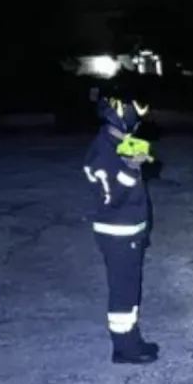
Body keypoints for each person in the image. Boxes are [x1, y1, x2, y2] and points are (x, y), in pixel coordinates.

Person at [83, 85, 158, 365]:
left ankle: (133, 339)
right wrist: (131, 169)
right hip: (117, 232)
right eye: (134, 115)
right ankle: (124, 349)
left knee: (131, 286)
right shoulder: (103, 153)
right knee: (123, 290)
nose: (137, 122)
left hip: (130, 229)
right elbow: (112, 197)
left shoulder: (114, 141)